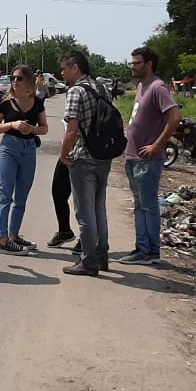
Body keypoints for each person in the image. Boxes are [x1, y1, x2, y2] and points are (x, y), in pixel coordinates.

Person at [117, 46, 181, 266]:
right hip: (134, 158)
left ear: (149, 64)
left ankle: (150, 251)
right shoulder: (141, 87)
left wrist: (156, 145)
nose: (132, 67)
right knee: (139, 206)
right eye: (132, 63)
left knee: (147, 206)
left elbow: (175, 117)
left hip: (147, 160)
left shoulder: (157, 87)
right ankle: (142, 248)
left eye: (136, 63)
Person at [59, 50, 116, 276]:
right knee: (99, 208)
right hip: (104, 155)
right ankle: (102, 256)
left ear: (75, 68)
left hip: (83, 156)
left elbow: (71, 130)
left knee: (85, 213)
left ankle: (89, 262)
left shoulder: (76, 91)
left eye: (64, 69)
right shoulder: (102, 87)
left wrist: (65, 154)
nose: (62, 73)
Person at [0, 64, 48, 256]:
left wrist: (32, 129)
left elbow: (44, 128)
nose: (15, 81)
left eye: (20, 78)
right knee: (5, 195)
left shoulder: (37, 102)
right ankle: (2, 239)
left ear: (30, 82)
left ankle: (14, 236)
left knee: (21, 197)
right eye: (13, 78)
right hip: (10, 148)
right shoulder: (6, 102)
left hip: (28, 149)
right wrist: (12, 124)